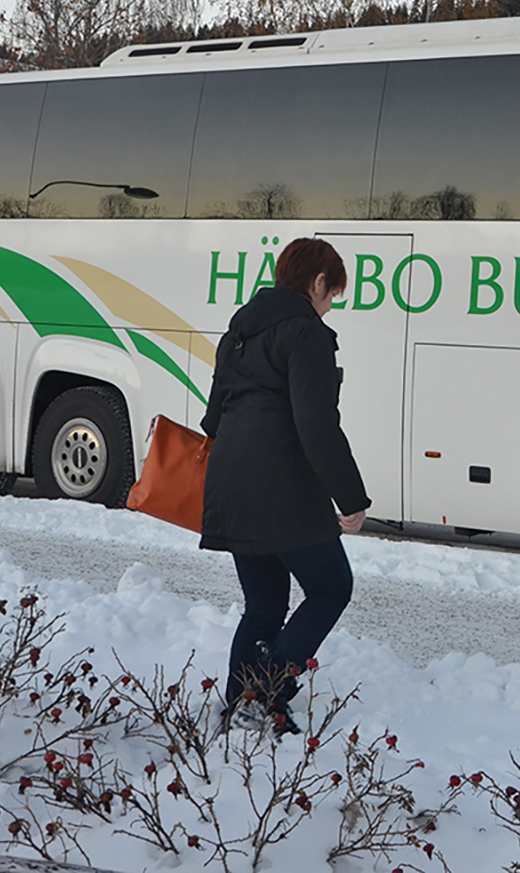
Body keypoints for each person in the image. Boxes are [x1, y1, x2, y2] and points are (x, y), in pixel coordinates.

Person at [200, 237, 370, 728]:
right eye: (332, 293)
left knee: (265, 605)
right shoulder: (306, 333)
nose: (329, 304)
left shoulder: (240, 331)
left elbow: (213, 419)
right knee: (332, 587)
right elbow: (316, 425)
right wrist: (351, 497)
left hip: (230, 485)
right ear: (317, 282)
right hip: (283, 490)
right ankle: (263, 691)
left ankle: (237, 703)